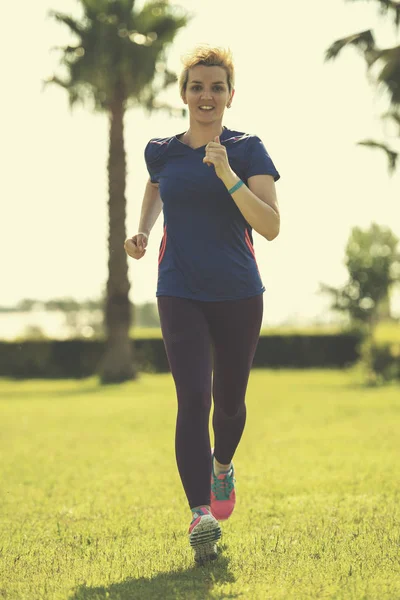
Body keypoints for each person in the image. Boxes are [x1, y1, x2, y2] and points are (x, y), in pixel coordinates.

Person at [124, 45, 280, 564]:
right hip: (179, 289)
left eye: (216, 86)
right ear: (184, 94)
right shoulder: (162, 150)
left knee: (230, 405)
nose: (206, 95)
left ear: (230, 94)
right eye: (197, 86)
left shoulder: (248, 149)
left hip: (239, 292)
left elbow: (271, 226)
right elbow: (155, 187)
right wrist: (142, 230)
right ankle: (201, 515)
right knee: (193, 398)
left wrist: (228, 174)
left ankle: (222, 466)